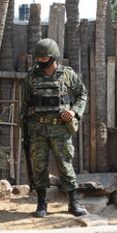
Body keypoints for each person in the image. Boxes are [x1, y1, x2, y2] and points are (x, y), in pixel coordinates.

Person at [20, 38, 88, 218]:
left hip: (60, 130)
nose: (41, 61)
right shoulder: (31, 77)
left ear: (54, 57)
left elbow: (82, 94)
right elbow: (25, 104)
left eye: (45, 58)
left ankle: (74, 202)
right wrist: (24, 130)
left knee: (65, 165)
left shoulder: (67, 74)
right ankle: (42, 204)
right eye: (39, 59)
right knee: (38, 167)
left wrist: (74, 112)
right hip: (37, 129)